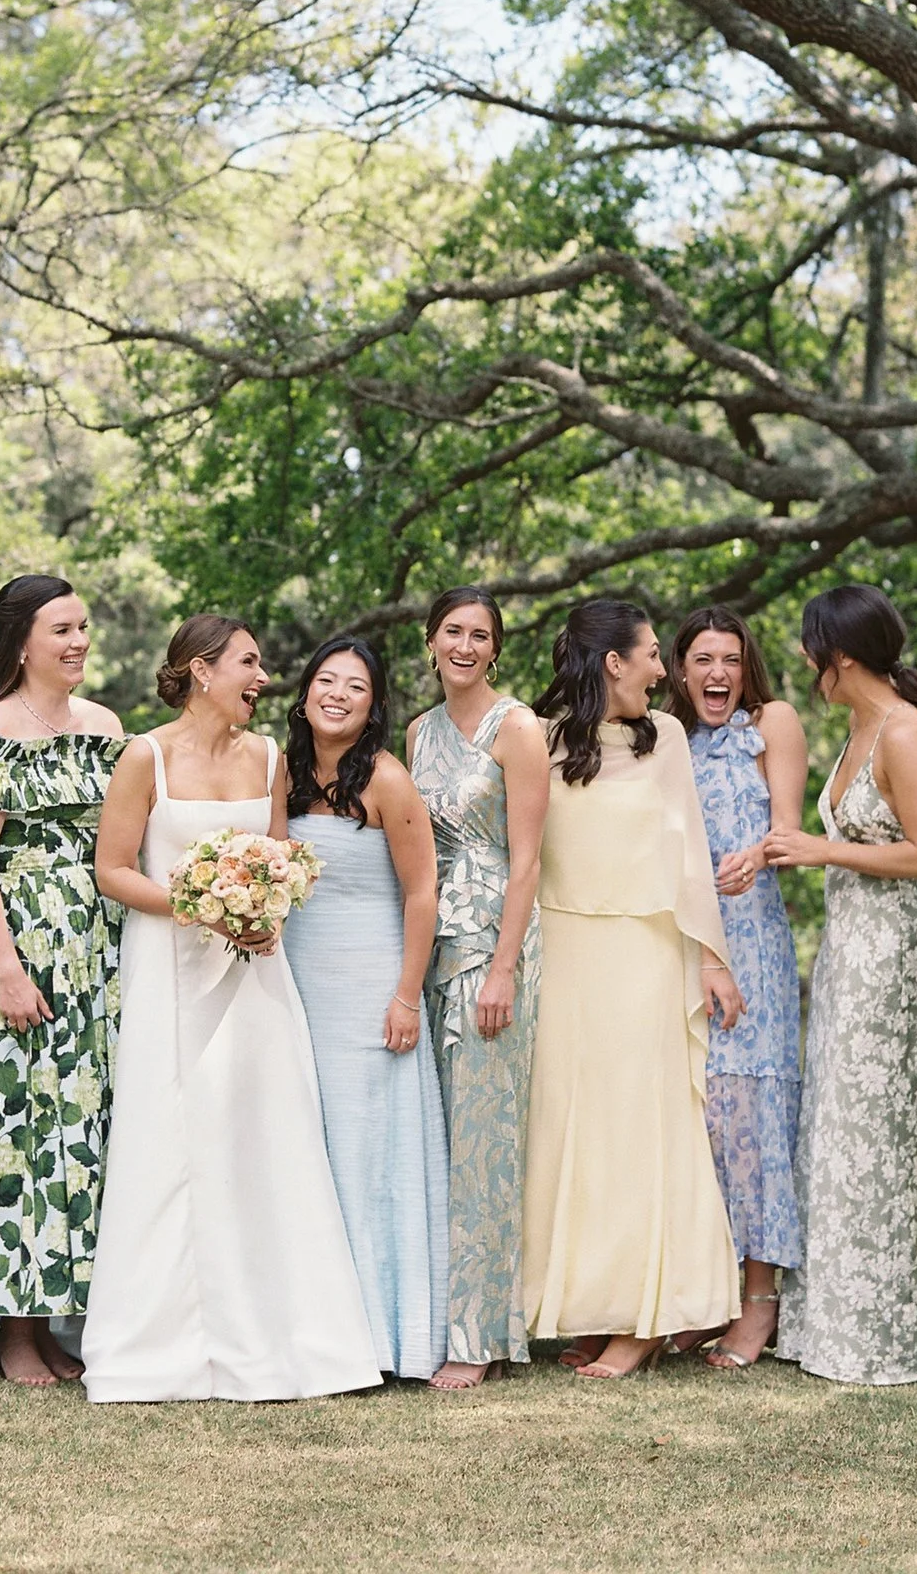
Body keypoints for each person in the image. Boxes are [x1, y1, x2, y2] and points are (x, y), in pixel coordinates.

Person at [83, 614, 379, 1404]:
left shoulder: (271, 758)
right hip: (172, 973)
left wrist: (264, 907)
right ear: (201, 670)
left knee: (263, 1138)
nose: (263, 678)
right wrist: (196, 906)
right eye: (250, 663)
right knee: (172, 1144)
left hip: (257, 976)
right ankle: (164, 1341)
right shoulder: (143, 757)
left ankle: (289, 1335)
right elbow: (113, 869)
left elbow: (282, 861)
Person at [521, 598, 745, 1380]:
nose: (663, 667)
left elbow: (690, 854)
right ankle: (587, 1307)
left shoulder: (670, 739)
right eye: (651, 653)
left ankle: (647, 1321)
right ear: (612, 664)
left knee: (637, 1130)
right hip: (565, 951)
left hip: (644, 954)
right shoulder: (540, 739)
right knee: (566, 1132)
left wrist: (710, 959)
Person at [763, 583, 917, 1386]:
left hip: (895, 960)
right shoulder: (855, 728)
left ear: (839, 655)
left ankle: (875, 1333)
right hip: (847, 949)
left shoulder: (903, 732)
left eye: (812, 647)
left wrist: (822, 850)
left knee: (874, 1135)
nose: (806, 661)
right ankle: (825, 1326)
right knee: (834, 1131)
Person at [0, 576, 126, 1386]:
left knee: (81, 1130)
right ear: (22, 642)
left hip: (96, 944)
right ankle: (13, 1330)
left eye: (83, 626)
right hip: (15, 950)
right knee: (18, 1128)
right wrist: (9, 971)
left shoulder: (107, 728)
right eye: (61, 629)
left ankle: (61, 1318)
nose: (78, 641)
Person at [283, 635, 449, 1382]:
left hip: (372, 986)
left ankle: (383, 1333)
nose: (338, 694)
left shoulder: (387, 780)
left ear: (375, 704)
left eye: (355, 685)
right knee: (307, 1146)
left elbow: (422, 893)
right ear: (305, 690)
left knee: (367, 1150)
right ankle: (313, 1326)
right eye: (327, 680)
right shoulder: (279, 773)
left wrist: (406, 995)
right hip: (295, 985)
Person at [403, 585, 547, 1389]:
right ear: (431, 642)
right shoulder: (419, 733)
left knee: (486, 1146)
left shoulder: (517, 728)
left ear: (495, 649)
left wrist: (503, 966)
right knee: (443, 1138)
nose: (465, 645)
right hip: (430, 946)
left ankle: (479, 1336)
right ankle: (431, 1317)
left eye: (480, 635)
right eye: (452, 632)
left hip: (490, 948)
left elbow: (528, 860)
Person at [667, 605, 808, 1370]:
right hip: (684, 946)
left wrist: (758, 853)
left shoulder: (773, 724)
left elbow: (787, 831)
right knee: (700, 1121)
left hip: (752, 943)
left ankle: (760, 1305)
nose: (716, 672)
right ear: (680, 671)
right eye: (701, 660)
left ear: (744, 665)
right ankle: (709, 1294)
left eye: (729, 659)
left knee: (753, 1118)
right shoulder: (664, 744)